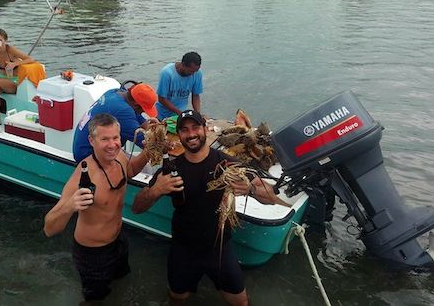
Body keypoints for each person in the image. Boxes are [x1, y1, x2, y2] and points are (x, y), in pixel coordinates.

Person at [132, 109, 285, 306]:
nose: (191, 134)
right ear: (179, 135)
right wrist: (155, 191)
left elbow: (271, 198)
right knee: (177, 298)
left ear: (205, 129)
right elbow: (136, 207)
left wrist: (249, 190)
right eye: (185, 130)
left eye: (195, 127)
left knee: (241, 302)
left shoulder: (228, 163)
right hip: (183, 248)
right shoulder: (172, 169)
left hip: (219, 248)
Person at [44, 113, 150, 301]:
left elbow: (131, 171)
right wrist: (69, 206)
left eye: (116, 138)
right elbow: (49, 229)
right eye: (105, 139)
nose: (112, 145)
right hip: (93, 254)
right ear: (91, 141)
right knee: (95, 300)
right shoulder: (84, 175)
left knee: (121, 282)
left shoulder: (120, 157)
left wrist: (150, 150)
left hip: (118, 241)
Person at [73, 83, 158, 161]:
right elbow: (144, 142)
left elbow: (136, 115)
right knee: (146, 170)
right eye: (143, 110)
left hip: (82, 146)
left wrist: (153, 126)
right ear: (135, 104)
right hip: (87, 155)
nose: (142, 112)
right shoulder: (122, 110)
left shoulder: (115, 92)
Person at [156, 52, 203, 120]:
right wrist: (180, 113)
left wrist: (198, 114)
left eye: (195, 71)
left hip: (180, 112)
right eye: (191, 71)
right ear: (183, 65)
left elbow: (195, 95)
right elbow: (162, 99)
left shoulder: (197, 73)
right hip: (163, 114)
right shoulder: (167, 73)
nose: (193, 74)